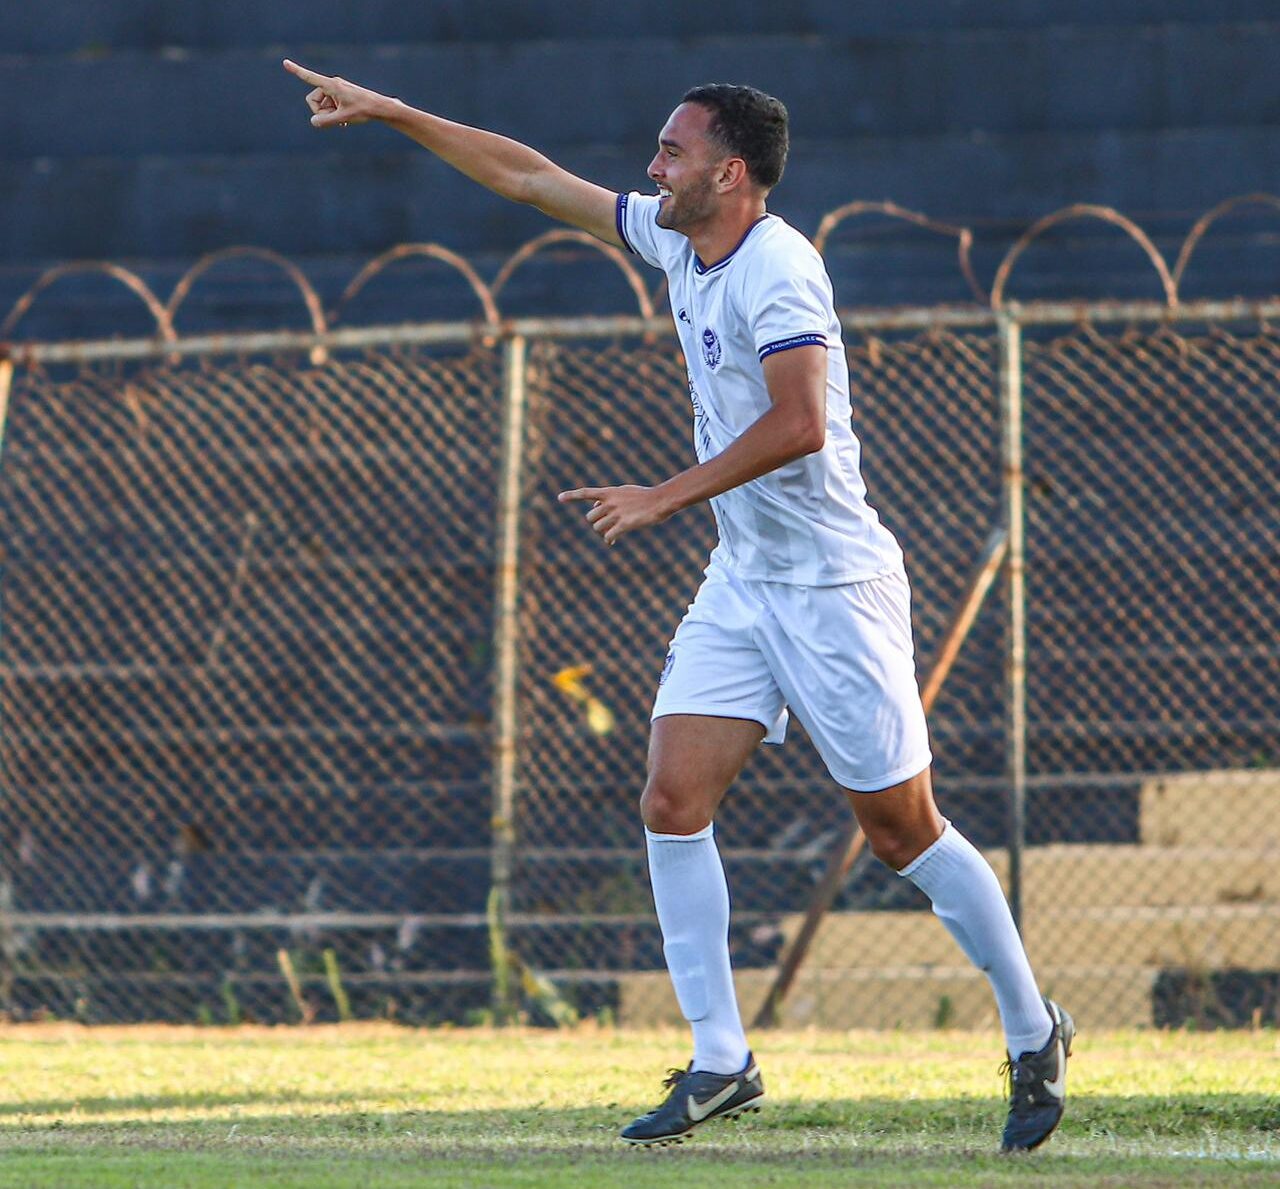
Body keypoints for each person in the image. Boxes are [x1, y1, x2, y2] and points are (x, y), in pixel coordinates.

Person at [283, 60, 1073, 1153]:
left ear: (729, 173)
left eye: (672, 152)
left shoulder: (778, 268)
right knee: (669, 798)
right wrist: (391, 111)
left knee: (900, 833)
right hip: (743, 583)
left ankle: (1033, 1029)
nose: (652, 167)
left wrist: (664, 493)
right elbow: (526, 179)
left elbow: (799, 423)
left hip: (833, 590)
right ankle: (719, 1060)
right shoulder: (674, 235)